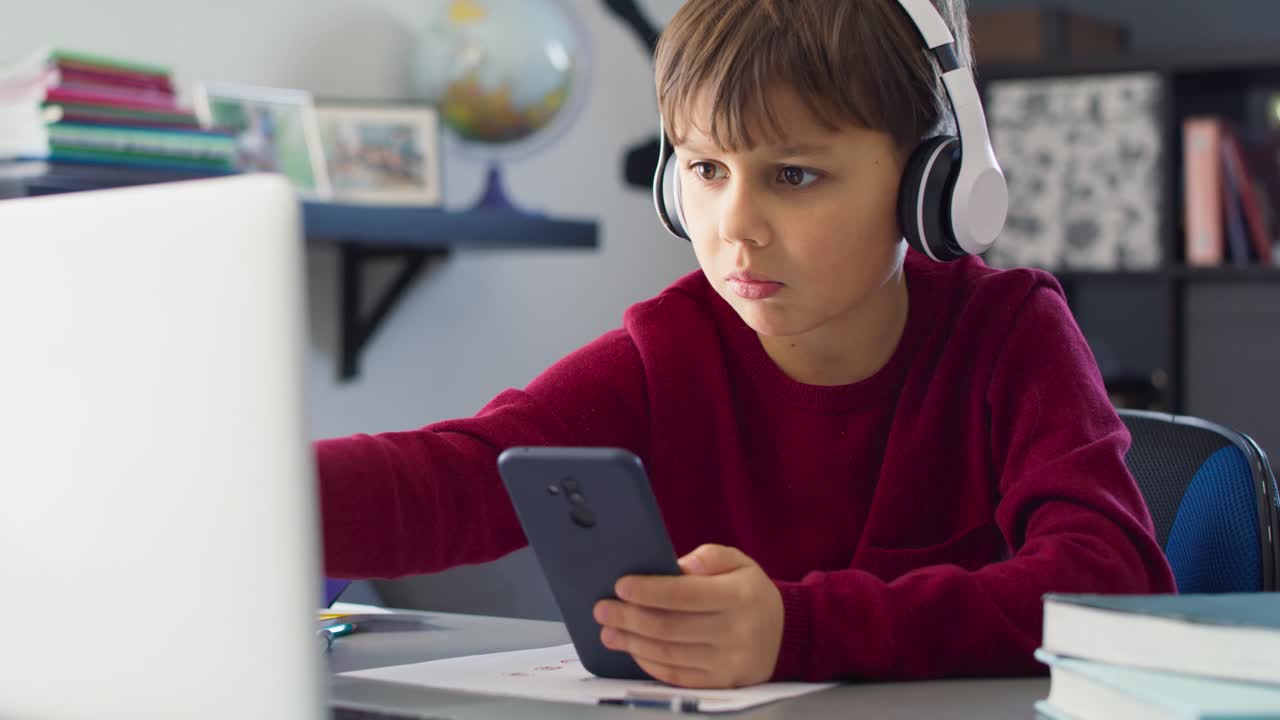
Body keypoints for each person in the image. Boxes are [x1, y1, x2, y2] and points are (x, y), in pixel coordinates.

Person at [315, 0, 1175, 690]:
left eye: (793, 175)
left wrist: (798, 630)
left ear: (932, 182)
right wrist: (237, 494)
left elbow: (1111, 585)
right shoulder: (670, 352)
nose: (736, 229)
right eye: (705, 169)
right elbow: (456, 476)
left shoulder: (1010, 335)